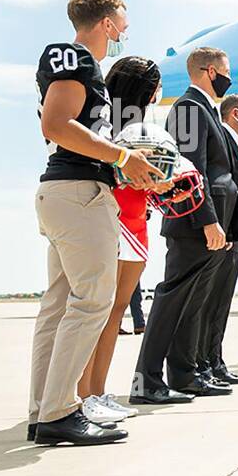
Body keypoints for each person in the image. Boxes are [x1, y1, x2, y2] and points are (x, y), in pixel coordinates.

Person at [29, 0, 163, 446]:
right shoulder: (76, 58)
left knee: (59, 306)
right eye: (122, 24)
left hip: (67, 192)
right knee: (91, 304)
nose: (125, 32)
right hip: (78, 193)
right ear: (107, 23)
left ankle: (44, 409)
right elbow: (58, 124)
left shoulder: (78, 65)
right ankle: (61, 411)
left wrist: (127, 167)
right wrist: (124, 158)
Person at [132, 46, 237, 403]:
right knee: (173, 300)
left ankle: (184, 373)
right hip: (192, 223)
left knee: (191, 303)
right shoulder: (190, 109)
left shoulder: (206, 110)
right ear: (210, 71)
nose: (229, 77)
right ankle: (146, 380)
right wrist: (207, 220)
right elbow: (192, 171)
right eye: (226, 70)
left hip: (207, 223)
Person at [76, 56, 165, 426]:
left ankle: (97, 391)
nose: (160, 94)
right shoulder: (105, 123)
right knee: (98, 310)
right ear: (145, 89)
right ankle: (81, 394)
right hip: (114, 217)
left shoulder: (143, 127)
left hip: (137, 218)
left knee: (115, 311)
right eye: (156, 87)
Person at [201, 93, 238, 384]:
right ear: (236, 114)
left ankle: (214, 361)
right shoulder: (221, 140)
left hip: (233, 237)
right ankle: (206, 364)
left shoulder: (235, 145)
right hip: (221, 235)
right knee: (210, 304)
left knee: (221, 304)